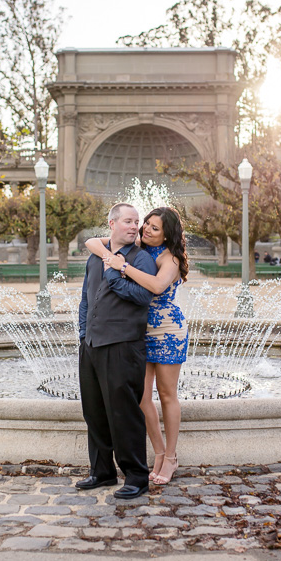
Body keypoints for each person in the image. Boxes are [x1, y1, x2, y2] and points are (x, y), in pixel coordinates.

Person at [86, 206, 189, 485]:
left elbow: (156, 287)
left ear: (167, 235)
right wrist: (110, 255)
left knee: (167, 395)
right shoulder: (138, 246)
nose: (145, 230)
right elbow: (92, 243)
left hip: (167, 330)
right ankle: (156, 451)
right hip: (140, 330)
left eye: (154, 228)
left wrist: (123, 266)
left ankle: (170, 457)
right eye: (146, 225)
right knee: (141, 397)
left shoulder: (171, 258)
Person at [76, 203, 157, 499]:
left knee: (124, 414)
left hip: (124, 345)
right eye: (128, 221)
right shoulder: (96, 256)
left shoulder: (142, 259)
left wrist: (114, 275)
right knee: (94, 412)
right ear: (111, 224)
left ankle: (137, 477)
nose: (134, 226)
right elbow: (86, 298)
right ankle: (102, 472)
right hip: (92, 344)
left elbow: (143, 297)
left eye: (137, 221)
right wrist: (84, 333)